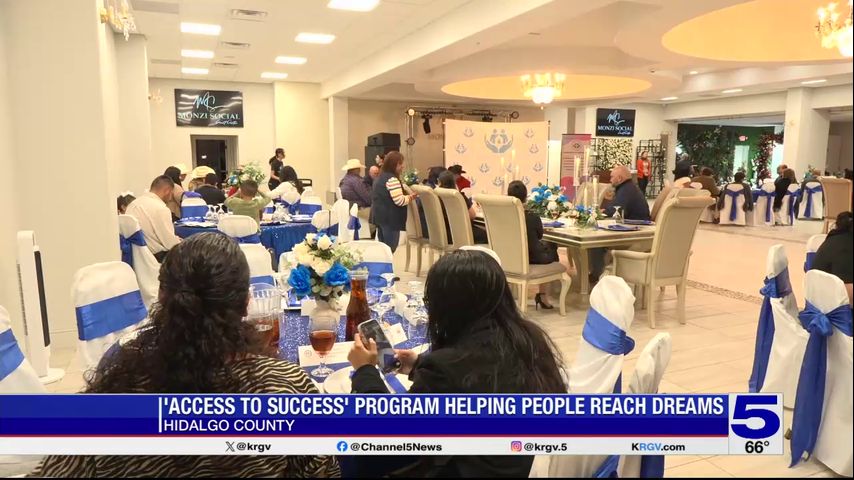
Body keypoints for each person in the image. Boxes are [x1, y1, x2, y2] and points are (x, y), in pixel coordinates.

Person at [29, 233, 340, 477]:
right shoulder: (284, 387)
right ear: (246, 303)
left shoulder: (114, 394)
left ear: (162, 297)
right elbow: (321, 470)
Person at [348, 249, 565, 477]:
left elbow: (387, 439)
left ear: (447, 307)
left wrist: (365, 370)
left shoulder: (447, 365)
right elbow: (478, 379)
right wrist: (419, 364)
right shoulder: (529, 338)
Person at [506, 181, 564, 309]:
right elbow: (539, 235)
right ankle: (543, 296)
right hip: (532, 258)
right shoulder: (532, 217)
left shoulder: (503, 216)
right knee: (552, 246)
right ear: (525, 197)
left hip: (510, 257)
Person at [125, 176, 181, 262]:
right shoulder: (160, 208)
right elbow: (170, 244)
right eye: (171, 194)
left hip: (134, 258)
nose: (170, 199)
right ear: (167, 191)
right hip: (157, 258)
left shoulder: (133, 204)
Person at [371, 151, 416, 253]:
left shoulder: (379, 178)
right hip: (390, 219)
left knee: (384, 249)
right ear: (393, 165)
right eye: (400, 164)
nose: (402, 166)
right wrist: (410, 197)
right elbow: (399, 201)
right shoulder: (392, 179)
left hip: (380, 217)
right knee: (390, 248)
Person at [811, 211, 853, 304]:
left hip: (816, 300)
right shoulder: (847, 247)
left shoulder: (833, 238)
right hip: (834, 305)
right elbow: (848, 293)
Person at [438, 171, 487, 244]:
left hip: (446, 235)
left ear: (439, 182)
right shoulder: (458, 196)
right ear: (454, 182)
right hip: (463, 234)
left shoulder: (436, 196)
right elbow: (472, 215)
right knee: (487, 235)